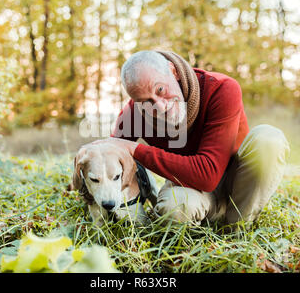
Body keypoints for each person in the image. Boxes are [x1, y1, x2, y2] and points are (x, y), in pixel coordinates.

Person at [105, 50, 289, 226]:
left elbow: (208, 175)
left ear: (173, 71)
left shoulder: (220, 88)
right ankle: (206, 221)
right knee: (173, 207)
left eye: (160, 89)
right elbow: (109, 156)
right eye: (145, 101)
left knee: (269, 139)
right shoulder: (135, 111)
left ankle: (237, 228)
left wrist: (135, 150)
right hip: (193, 190)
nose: (159, 106)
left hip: (238, 182)